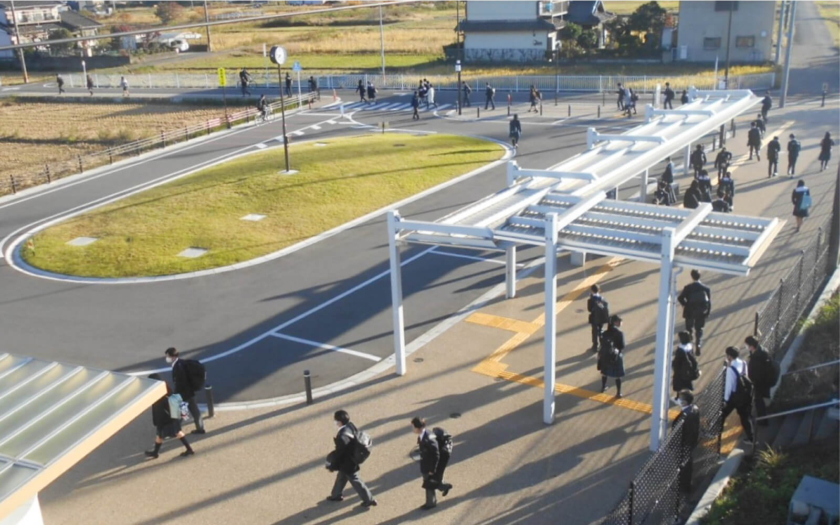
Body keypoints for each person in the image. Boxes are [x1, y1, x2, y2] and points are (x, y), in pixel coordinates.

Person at [326, 410, 377, 508]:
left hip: (347, 462)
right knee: (341, 477)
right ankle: (336, 495)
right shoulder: (350, 426)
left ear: (339, 421)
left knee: (355, 480)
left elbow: (340, 452)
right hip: (352, 458)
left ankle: (369, 499)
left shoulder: (342, 436)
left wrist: (333, 464)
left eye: (336, 420)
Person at [144, 374, 195, 459]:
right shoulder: (165, 388)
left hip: (166, 418)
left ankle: (189, 449)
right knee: (161, 434)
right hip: (167, 417)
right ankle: (155, 452)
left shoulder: (160, 393)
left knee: (176, 433)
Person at [412, 417, 453, 509]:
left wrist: (432, 470)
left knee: (428, 484)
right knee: (432, 482)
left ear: (418, 428)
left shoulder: (429, 439)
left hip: (429, 465)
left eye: (413, 427)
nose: (413, 429)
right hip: (426, 463)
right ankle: (444, 486)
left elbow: (436, 455)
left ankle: (430, 503)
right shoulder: (425, 434)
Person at [164, 347, 205, 434]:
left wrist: (175, 395)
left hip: (183, 394)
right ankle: (200, 428)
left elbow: (180, 382)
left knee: (180, 412)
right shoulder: (182, 363)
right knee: (194, 411)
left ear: (173, 356)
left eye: (167, 356)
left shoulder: (178, 367)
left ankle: (175, 431)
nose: (166, 358)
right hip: (190, 392)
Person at [722, 346, 755, 444]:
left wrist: (725, 399)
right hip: (745, 395)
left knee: (723, 413)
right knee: (745, 417)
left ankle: (715, 431)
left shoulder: (730, 369)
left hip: (734, 396)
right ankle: (751, 437)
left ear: (729, 356)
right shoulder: (743, 363)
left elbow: (729, 385)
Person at [677, 269, 711, 356]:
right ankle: (698, 344)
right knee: (699, 329)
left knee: (689, 329)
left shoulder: (688, 287)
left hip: (690, 311)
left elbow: (680, 298)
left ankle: (690, 345)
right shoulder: (706, 288)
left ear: (692, 277)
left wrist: (685, 304)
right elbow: (709, 302)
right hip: (701, 312)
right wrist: (707, 313)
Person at [675, 390, 700, 493]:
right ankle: (685, 484)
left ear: (685, 401)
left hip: (685, 443)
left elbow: (685, 430)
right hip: (690, 442)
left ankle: (684, 487)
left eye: (680, 398)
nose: (678, 400)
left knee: (684, 465)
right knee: (687, 464)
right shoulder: (694, 409)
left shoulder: (686, 415)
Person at [746, 336, 775, 425]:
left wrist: (752, 381)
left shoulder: (756, 358)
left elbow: (755, 372)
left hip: (759, 383)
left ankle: (763, 421)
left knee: (759, 401)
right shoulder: (762, 351)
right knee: (763, 398)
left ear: (751, 346)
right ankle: (765, 415)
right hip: (765, 380)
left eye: (747, 345)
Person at [598, 315, 626, 398]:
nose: (621, 322)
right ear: (615, 322)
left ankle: (603, 387)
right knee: (618, 376)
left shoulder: (605, 333)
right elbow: (622, 346)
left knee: (604, 373)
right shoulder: (620, 334)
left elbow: (601, 343)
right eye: (619, 321)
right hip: (615, 356)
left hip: (605, 356)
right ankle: (618, 393)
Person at [672, 332, 700, 397]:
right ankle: (687, 395)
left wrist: (674, 366)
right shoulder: (689, 347)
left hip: (680, 371)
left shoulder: (680, 350)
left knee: (679, 385)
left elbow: (677, 362)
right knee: (687, 384)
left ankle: (679, 397)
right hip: (688, 370)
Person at [587, 284, 610, 353]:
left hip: (594, 318)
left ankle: (595, 346)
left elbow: (589, 309)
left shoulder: (591, 300)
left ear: (592, 291)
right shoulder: (602, 298)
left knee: (594, 331)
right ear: (599, 290)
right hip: (602, 318)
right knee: (601, 330)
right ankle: (602, 344)